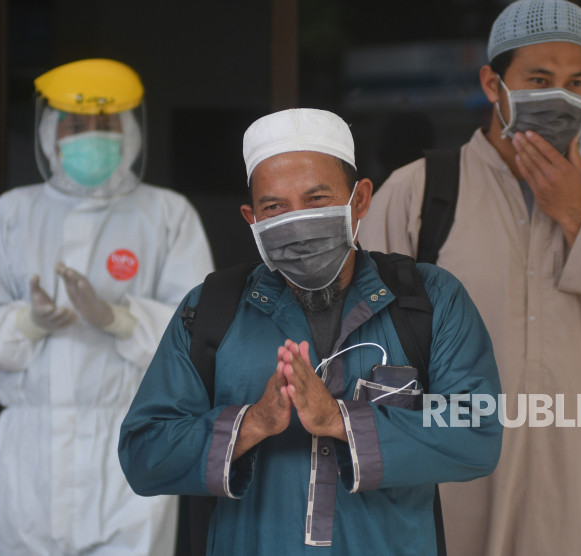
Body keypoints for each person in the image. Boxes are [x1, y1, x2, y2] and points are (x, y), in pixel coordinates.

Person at [359, 1, 581, 554]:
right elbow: (351, 342)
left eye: (577, 82)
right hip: (442, 507)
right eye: (538, 79)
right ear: (492, 83)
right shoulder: (422, 193)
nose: (559, 96)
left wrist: (579, 219)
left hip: (564, 512)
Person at [118, 108, 503, 555]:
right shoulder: (212, 310)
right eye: (275, 207)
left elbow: (477, 430)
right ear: (252, 219)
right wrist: (253, 423)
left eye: (316, 199)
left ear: (359, 200)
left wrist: (340, 421)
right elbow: (144, 455)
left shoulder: (429, 300)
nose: (297, 222)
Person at [0, 59, 214, 555]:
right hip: (34, 449)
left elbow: (198, 328)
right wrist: (27, 322)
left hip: (132, 437)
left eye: (105, 123)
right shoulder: (12, 213)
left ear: (131, 130)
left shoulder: (166, 213)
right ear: (50, 131)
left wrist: (119, 318)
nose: (90, 135)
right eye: (76, 124)